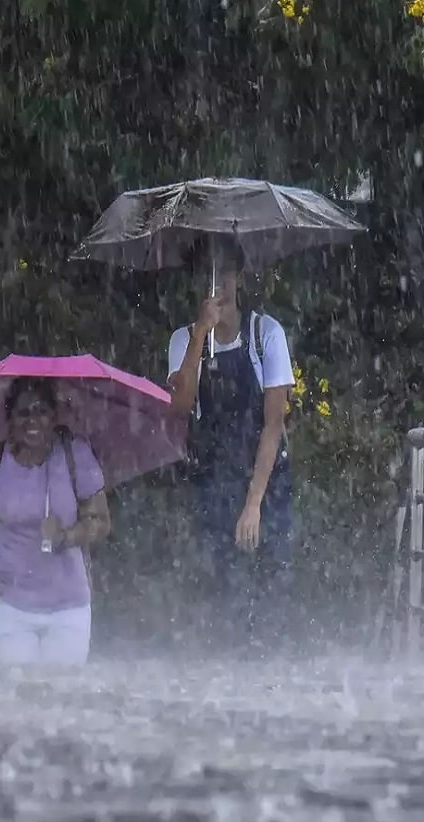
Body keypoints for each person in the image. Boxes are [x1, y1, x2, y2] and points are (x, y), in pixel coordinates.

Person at [166, 246, 295, 651]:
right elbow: (180, 407)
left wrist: (254, 502)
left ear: (239, 276)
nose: (217, 281)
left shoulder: (265, 333)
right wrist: (202, 333)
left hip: (267, 483)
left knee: (271, 589)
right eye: (208, 272)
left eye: (225, 272)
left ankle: (271, 675)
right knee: (221, 591)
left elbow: (273, 423)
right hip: (212, 482)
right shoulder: (183, 340)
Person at [0, 378, 111, 665]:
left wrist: (67, 536)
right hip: (8, 603)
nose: (33, 420)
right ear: (10, 418)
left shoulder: (74, 454)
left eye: (41, 411)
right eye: (23, 412)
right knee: (15, 702)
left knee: (64, 701)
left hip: (69, 605)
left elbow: (102, 521)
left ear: (54, 417)